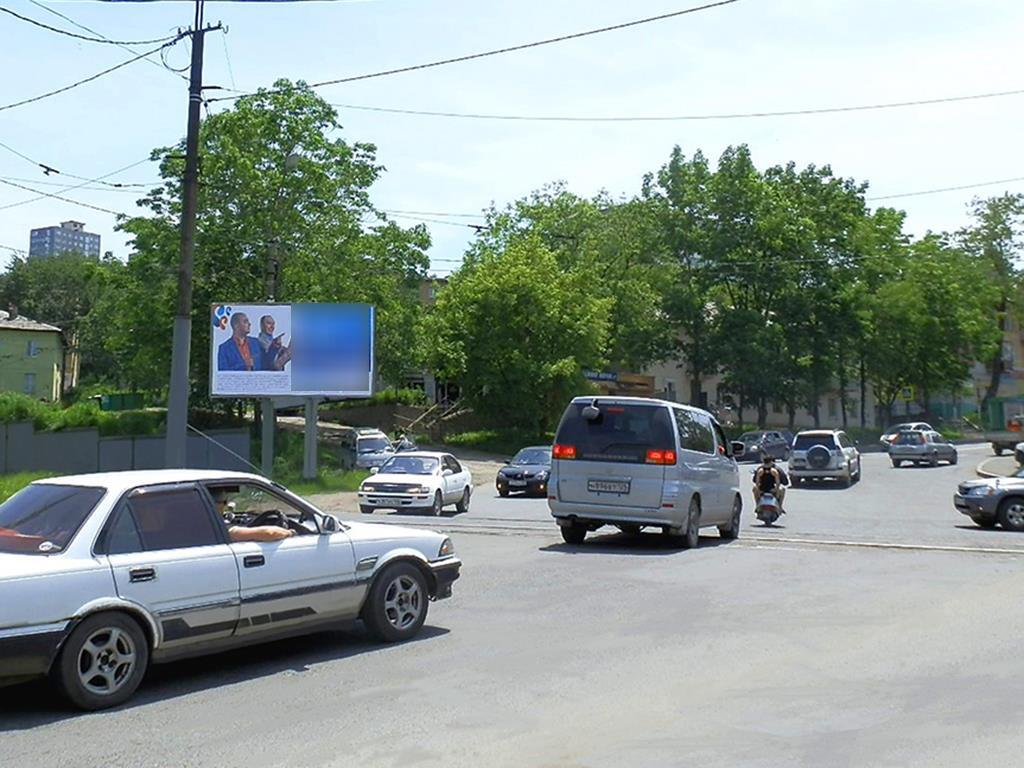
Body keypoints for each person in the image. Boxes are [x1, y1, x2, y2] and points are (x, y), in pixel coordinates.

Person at [211, 489, 295, 542]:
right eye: (224, 502)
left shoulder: (205, 521)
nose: (225, 505)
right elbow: (269, 533)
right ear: (215, 504)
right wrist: (289, 533)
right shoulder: (222, 529)